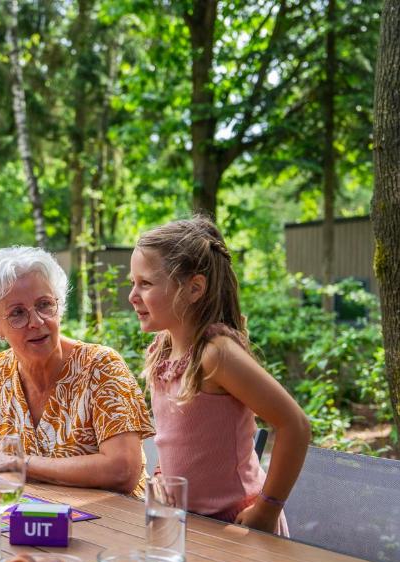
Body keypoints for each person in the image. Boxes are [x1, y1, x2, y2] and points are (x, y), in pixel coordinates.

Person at [128, 216, 309, 535]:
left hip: (237, 526)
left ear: (194, 288)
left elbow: (294, 424)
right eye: (133, 283)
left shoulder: (216, 354)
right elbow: (176, 438)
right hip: (187, 521)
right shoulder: (162, 352)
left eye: (146, 284)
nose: (132, 295)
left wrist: (266, 509)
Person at [0, 246, 154, 496]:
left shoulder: (101, 367)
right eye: (17, 313)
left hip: (115, 524)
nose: (36, 322)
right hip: (35, 518)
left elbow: (123, 471)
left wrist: (20, 463)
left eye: (44, 305)